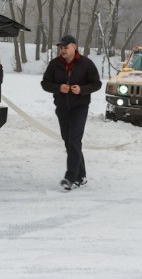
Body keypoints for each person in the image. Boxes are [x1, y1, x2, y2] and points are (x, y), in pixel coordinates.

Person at [41, 35, 102, 191]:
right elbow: (45, 83)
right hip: (62, 108)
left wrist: (82, 90)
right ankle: (81, 175)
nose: (63, 50)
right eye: (61, 47)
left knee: (74, 139)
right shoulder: (54, 65)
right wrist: (58, 88)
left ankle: (71, 178)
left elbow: (97, 84)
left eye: (65, 47)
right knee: (69, 141)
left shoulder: (86, 64)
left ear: (74, 47)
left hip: (80, 107)